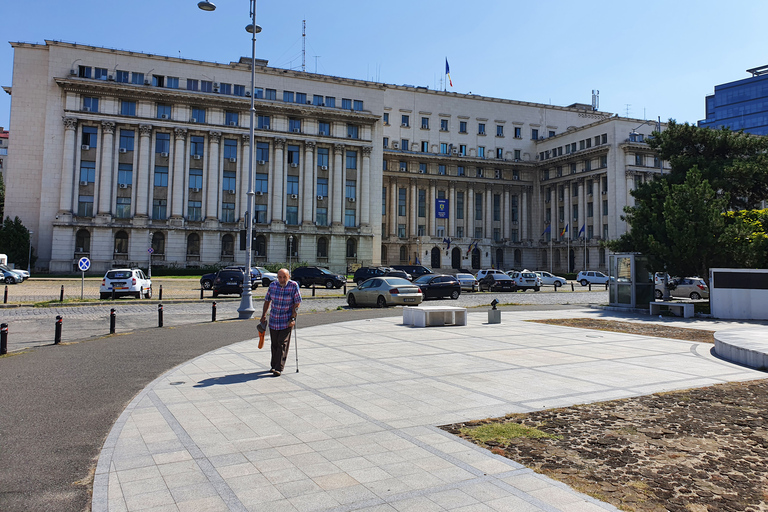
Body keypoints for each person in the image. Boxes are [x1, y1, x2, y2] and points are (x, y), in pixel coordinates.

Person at [260, 268, 301, 376]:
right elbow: (267, 300)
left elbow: (297, 303)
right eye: (280, 277)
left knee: (282, 343)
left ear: (289, 277)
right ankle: (273, 365)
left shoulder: (293, 286)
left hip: (286, 320)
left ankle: (279, 367)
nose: (282, 279)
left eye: (284, 277)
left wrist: (293, 318)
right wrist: (263, 315)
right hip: (274, 319)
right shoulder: (273, 286)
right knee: (274, 344)